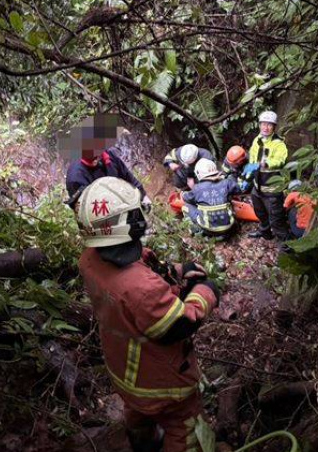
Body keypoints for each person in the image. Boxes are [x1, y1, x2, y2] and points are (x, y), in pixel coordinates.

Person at [76, 177, 220, 452]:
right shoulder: (142, 289)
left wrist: (176, 271)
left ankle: (144, 444)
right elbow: (179, 325)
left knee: (139, 415)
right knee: (185, 429)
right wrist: (205, 293)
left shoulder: (90, 260)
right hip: (164, 385)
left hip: (126, 377)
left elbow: (138, 269)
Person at [64, 114, 150, 210]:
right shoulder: (75, 177)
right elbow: (82, 210)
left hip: (120, 203)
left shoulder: (109, 155)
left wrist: (144, 196)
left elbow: (127, 176)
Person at [247, 110, 290, 245]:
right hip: (257, 185)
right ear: (259, 125)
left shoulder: (279, 144)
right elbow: (252, 157)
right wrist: (249, 171)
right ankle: (265, 232)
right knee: (260, 213)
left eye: (269, 125)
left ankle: (287, 245)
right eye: (263, 124)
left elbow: (280, 160)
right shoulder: (257, 139)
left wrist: (266, 163)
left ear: (274, 127)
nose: (265, 127)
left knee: (276, 219)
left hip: (272, 189)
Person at [182, 159, 243, 236]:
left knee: (186, 207)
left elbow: (186, 198)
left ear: (198, 173)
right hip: (229, 227)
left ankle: (194, 230)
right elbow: (239, 190)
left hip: (208, 230)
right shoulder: (226, 182)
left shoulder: (197, 188)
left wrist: (183, 194)